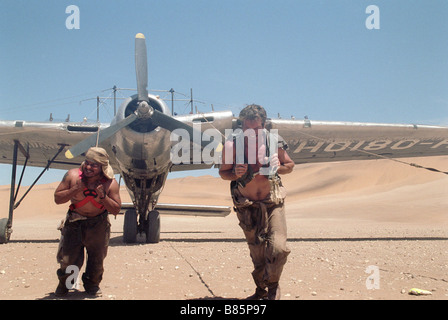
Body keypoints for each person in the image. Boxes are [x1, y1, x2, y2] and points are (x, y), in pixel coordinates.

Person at [219, 104, 295, 300]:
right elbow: (223, 173)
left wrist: (279, 167)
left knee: (278, 248)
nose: (252, 133)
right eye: (247, 128)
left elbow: (290, 166)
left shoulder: (273, 142)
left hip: (272, 202)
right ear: (241, 126)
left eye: (256, 128)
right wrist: (234, 173)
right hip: (247, 205)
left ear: (264, 125)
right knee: (258, 253)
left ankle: (273, 287)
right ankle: (261, 290)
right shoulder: (232, 145)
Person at [54, 147, 121, 297]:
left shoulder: (110, 183)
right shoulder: (72, 176)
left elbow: (116, 209)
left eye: (94, 165)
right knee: (68, 258)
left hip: (98, 224)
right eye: (87, 163)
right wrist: (75, 189)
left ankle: (92, 285)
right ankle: (65, 285)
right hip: (74, 222)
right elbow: (58, 199)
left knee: (97, 259)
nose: (89, 167)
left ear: (102, 167)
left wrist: (103, 197)